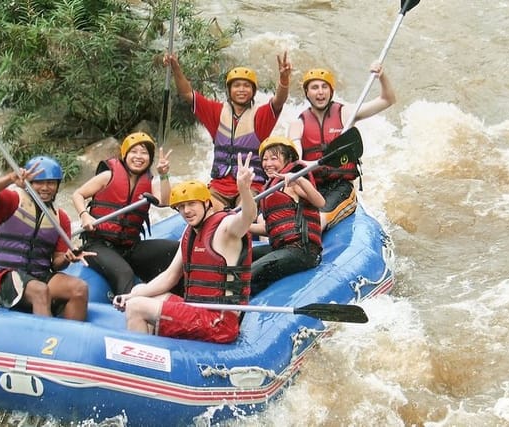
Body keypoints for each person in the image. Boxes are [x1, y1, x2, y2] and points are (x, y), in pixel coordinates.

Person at [113, 153, 257, 344]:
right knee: (140, 291)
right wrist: (130, 295)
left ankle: (138, 360)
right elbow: (169, 277)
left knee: (137, 307)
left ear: (206, 203)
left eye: (191, 204)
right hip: (197, 310)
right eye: (181, 207)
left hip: (219, 321)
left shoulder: (225, 228)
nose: (186, 211)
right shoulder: (189, 235)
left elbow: (247, 217)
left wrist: (244, 191)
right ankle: (154, 348)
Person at [164, 51, 292, 210]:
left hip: (251, 185)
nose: (241, 89)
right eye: (236, 85)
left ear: (253, 91)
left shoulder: (261, 116)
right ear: (229, 90)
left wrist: (284, 79)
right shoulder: (215, 112)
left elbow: (279, 101)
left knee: (243, 213)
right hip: (220, 186)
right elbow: (187, 93)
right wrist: (176, 68)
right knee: (206, 211)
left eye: (246, 86)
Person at [0, 156, 91, 321]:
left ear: (57, 186)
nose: (45, 188)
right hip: (3, 275)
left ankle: (68, 340)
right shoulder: (13, 201)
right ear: (29, 183)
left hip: (38, 274)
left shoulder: (60, 219)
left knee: (79, 288)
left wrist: (68, 258)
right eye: (39, 182)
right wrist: (10, 178)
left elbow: (56, 262)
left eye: (51, 183)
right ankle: (47, 340)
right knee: (40, 290)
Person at [287, 62, 396, 231]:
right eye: (314, 87)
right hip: (312, 187)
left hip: (341, 186)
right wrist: (302, 166)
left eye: (324, 87)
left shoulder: (347, 114)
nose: (320, 92)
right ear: (307, 93)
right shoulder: (297, 124)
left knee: (318, 221)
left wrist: (382, 76)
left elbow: (387, 100)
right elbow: (296, 158)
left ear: (331, 91)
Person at [72, 132, 180, 297]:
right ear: (125, 155)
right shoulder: (108, 175)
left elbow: (165, 200)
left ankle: (181, 301)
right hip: (98, 245)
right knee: (124, 273)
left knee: (174, 249)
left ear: (150, 159)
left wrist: (163, 174)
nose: (139, 156)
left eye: (144, 153)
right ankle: (129, 312)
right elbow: (78, 194)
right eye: (134, 152)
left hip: (129, 247)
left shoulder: (149, 182)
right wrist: (84, 215)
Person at [249, 136, 325, 295]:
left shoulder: (295, 183)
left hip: (302, 250)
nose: (268, 163)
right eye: (265, 159)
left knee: (250, 272)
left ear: (288, 159)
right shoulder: (270, 189)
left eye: (274, 158)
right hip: (281, 247)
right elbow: (268, 229)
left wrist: (299, 180)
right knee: (239, 257)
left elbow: (320, 202)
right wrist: (239, 225)